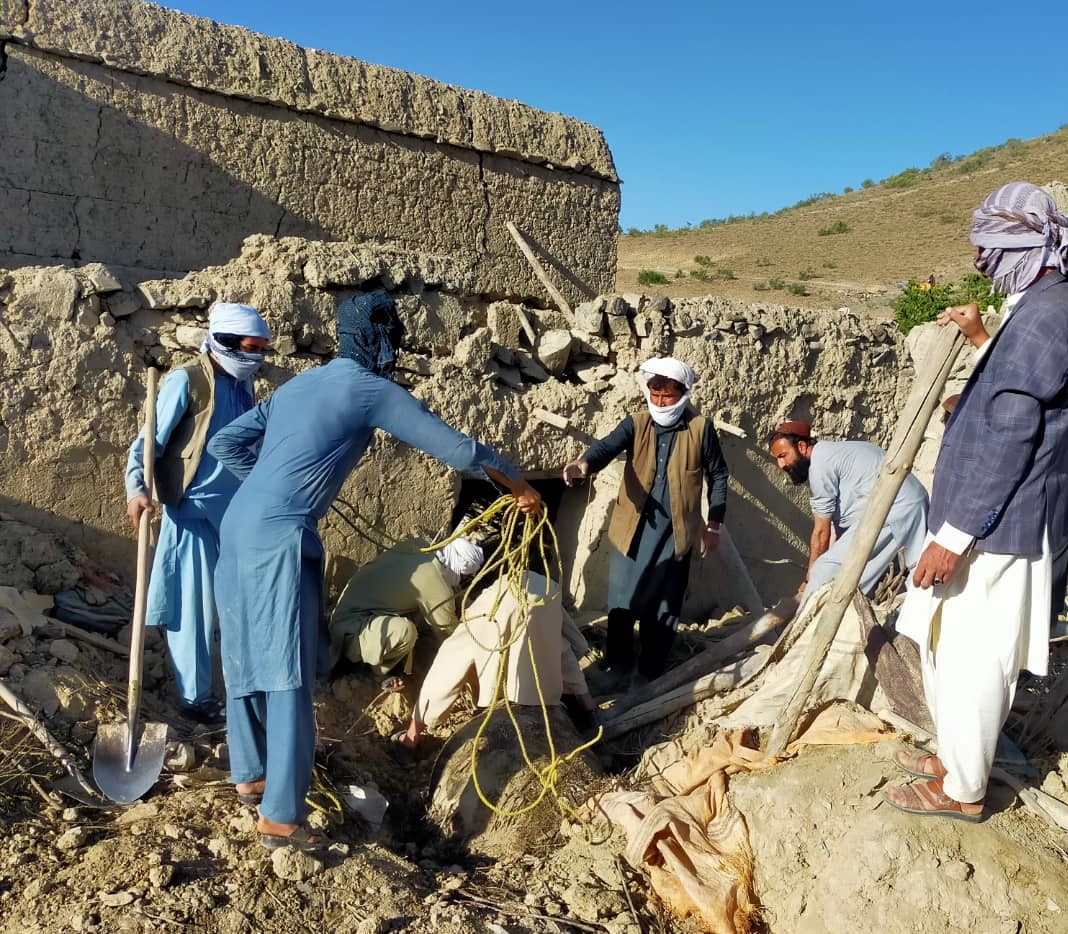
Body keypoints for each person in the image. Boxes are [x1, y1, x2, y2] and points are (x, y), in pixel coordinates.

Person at [209, 291, 541, 851]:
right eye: (391, 336)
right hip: (279, 534)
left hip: (239, 526)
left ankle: (250, 776)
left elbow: (224, 442)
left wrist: (270, 483)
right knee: (288, 670)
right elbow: (460, 452)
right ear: (377, 339)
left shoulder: (300, 384)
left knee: (243, 655)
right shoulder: (371, 390)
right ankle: (281, 818)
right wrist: (520, 484)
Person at [886, 182, 1068, 822]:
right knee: (947, 644)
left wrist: (953, 534)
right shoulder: (1039, 306)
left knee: (973, 657)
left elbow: (1011, 434)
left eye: (990, 248)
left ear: (1025, 243)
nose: (980, 261)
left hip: (1000, 524)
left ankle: (962, 790)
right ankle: (954, 756)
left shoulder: (1049, 315)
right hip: (990, 517)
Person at [124, 302, 271, 724]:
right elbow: (147, 444)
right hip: (191, 512)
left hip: (235, 515)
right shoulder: (187, 381)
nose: (256, 357)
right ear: (223, 342)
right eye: (249, 347)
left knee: (239, 606)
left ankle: (245, 692)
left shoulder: (244, 386)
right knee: (194, 608)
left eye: (261, 349)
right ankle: (195, 699)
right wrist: (138, 489)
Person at [562, 357, 728, 689]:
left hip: (676, 533)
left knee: (663, 608)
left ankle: (650, 670)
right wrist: (583, 465)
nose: (660, 402)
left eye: (667, 396)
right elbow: (607, 448)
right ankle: (617, 664)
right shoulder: (636, 424)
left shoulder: (700, 429)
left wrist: (713, 526)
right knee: (622, 601)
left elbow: (719, 475)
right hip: (633, 531)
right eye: (655, 394)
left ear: (683, 394)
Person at [390, 570, 595, 759]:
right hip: (545, 594)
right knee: (549, 643)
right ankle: (588, 715)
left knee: (455, 660)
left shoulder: (483, 609)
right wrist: (585, 701)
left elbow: (444, 673)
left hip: (507, 602)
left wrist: (414, 729)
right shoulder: (547, 591)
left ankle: (409, 742)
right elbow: (566, 646)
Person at [767, 422, 929, 608]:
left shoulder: (820, 466)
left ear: (802, 447)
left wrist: (809, 579)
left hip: (895, 509)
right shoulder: (833, 453)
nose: (781, 465)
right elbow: (836, 532)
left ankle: (808, 630)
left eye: (783, 456)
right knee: (905, 576)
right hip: (908, 503)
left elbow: (821, 533)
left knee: (825, 572)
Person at [328, 533, 486, 683]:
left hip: (347, 610)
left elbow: (450, 591)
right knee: (406, 632)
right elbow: (448, 634)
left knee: (417, 609)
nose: (460, 583)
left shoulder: (419, 546)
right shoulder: (435, 584)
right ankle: (377, 671)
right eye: (464, 578)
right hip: (350, 630)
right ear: (460, 569)